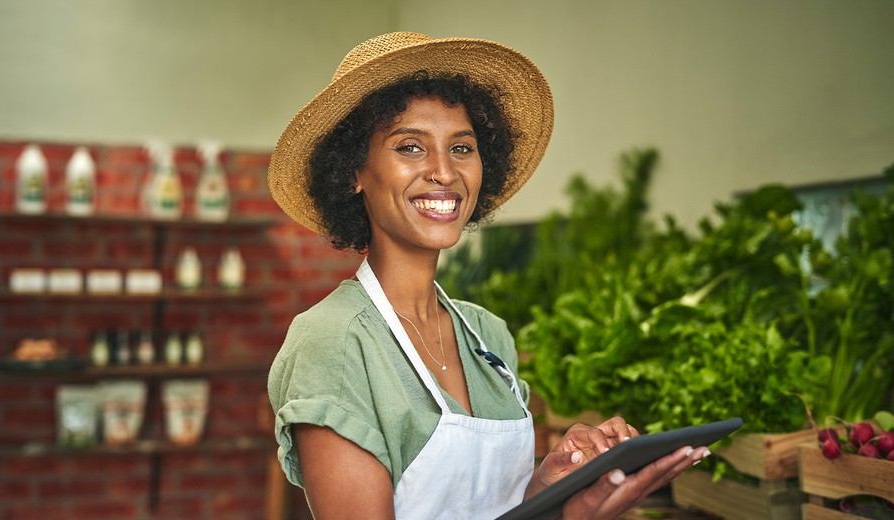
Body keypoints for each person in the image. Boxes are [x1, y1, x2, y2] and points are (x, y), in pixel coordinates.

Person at [267, 32, 710, 519]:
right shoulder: (332, 341)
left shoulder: (488, 336)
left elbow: (500, 508)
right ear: (355, 171)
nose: (444, 172)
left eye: (462, 147)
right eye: (410, 147)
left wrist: (561, 485)